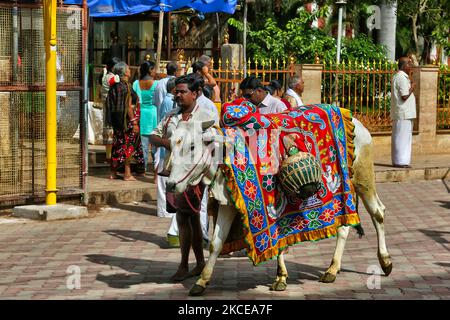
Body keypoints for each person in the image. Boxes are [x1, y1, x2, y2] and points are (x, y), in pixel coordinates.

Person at [150, 73, 218, 281]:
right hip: (173, 172)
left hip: (195, 175)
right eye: (176, 91)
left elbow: (214, 141)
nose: (177, 94)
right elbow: (153, 135)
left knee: (185, 214)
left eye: (182, 91)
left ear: (196, 93)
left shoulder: (206, 115)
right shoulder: (171, 116)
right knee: (189, 216)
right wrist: (168, 143)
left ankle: (184, 265)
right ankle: (197, 263)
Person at [104, 62, 145, 180]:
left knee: (117, 145)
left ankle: (113, 172)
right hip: (127, 122)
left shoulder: (115, 86)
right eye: (128, 68)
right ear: (125, 72)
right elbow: (128, 106)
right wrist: (134, 122)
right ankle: (127, 173)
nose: (129, 70)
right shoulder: (126, 86)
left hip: (117, 122)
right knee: (128, 145)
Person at [155, 77, 177, 219]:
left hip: (168, 147)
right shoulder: (170, 102)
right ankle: (164, 211)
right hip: (167, 146)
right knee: (165, 181)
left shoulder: (168, 101)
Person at [132, 61, 159, 173]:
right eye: (154, 69)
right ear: (150, 70)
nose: (155, 71)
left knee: (142, 143)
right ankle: (155, 169)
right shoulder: (156, 83)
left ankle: (142, 168)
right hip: (153, 114)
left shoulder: (135, 83)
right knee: (155, 143)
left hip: (140, 113)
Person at [390, 56, 416, 168]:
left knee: (402, 137)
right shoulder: (401, 77)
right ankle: (400, 161)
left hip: (403, 113)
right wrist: (412, 88)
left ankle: (401, 161)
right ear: (404, 65)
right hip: (403, 113)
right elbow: (404, 96)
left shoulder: (400, 76)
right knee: (402, 138)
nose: (411, 66)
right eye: (409, 64)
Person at [101, 57, 121, 163]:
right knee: (112, 130)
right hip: (112, 107)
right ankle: (111, 157)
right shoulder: (114, 78)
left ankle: (108, 156)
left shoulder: (105, 76)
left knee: (107, 128)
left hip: (106, 105)